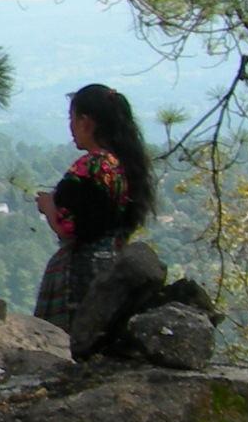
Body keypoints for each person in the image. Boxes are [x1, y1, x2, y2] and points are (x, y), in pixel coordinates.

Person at [31, 82, 155, 332]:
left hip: (80, 270)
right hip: (114, 266)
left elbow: (67, 228)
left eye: (72, 119)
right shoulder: (126, 166)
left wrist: (48, 206)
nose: (71, 127)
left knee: (67, 338)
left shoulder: (88, 168)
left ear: (86, 122)